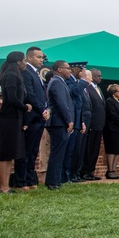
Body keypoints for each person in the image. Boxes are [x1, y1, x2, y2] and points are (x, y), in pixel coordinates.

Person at [16, 46, 49, 190]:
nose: (41, 60)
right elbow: (29, 94)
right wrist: (42, 109)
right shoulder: (26, 72)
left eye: (42, 57)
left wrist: (46, 109)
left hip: (39, 117)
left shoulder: (36, 74)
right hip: (31, 117)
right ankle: (20, 181)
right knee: (26, 150)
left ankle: (30, 180)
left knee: (34, 151)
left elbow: (42, 95)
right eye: (38, 57)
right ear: (29, 57)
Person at [0, 51, 28, 193]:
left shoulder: (16, 76)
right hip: (8, 118)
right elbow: (12, 99)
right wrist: (25, 107)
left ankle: (7, 185)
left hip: (15, 118)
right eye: (24, 60)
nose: (25, 63)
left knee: (10, 153)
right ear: (18, 62)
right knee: (5, 152)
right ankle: (3, 186)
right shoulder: (10, 76)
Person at [44, 61, 75, 190]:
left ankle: (56, 180)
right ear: (60, 69)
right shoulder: (56, 82)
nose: (70, 71)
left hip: (59, 122)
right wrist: (69, 120)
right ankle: (53, 181)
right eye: (68, 68)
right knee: (57, 152)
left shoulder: (60, 82)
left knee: (59, 152)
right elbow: (61, 103)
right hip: (58, 122)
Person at [80, 69, 106, 180]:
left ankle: (91, 171)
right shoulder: (87, 88)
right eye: (98, 76)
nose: (100, 78)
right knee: (88, 149)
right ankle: (84, 171)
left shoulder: (98, 89)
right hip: (91, 124)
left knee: (95, 149)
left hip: (99, 124)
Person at [102, 84, 119, 178]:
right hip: (112, 129)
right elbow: (113, 115)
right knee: (112, 149)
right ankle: (110, 170)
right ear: (114, 93)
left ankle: (114, 170)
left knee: (118, 149)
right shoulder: (110, 101)